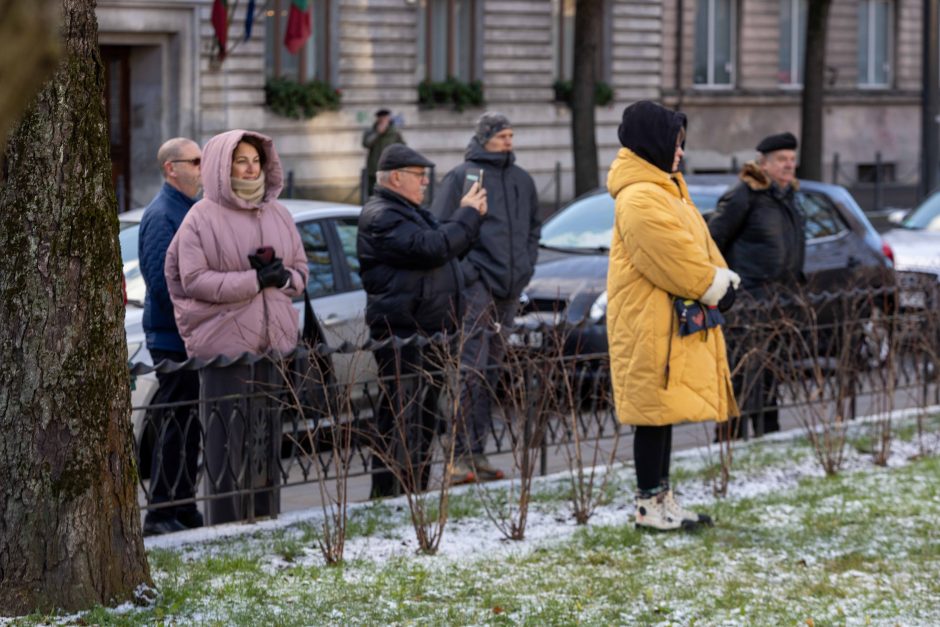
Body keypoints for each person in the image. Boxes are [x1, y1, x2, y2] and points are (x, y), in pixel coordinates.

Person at [607, 101, 740, 531]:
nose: (680, 152)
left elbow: (700, 246)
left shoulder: (666, 188)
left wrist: (723, 279)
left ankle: (662, 500)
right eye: (675, 144)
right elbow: (675, 260)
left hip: (664, 320)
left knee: (660, 413)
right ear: (653, 143)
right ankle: (649, 507)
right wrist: (714, 287)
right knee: (651, 414)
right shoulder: (641, 197)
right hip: (649, 323)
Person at [165, 130, 308, 525]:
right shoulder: (201, 218)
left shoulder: (278, 213)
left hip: (273, 345)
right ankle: (226, 528)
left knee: (265, 444)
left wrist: (281, 278)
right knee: (226, 446)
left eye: (256, 160)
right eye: (240, 159)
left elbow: (301, 272)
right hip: (225, 347)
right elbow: (192, 280)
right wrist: (252, 281)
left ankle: (266, 520)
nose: (250, 167)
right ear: (221, 165)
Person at [357, 144, 487, 498]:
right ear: (396, 177)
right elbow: (433, 247)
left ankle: (413, 491)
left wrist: (468, 219)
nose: (426, 182)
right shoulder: (381, 214)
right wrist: (468, 214)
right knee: (401, 418)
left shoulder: (413, 211)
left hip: (429, 333)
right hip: (403, 335)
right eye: (419, 175)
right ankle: (389, 495)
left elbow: (447, 245)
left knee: (425, 419)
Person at [430, 112, 541, 483]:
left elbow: (532, 229)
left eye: (511, 135)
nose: (509, 142)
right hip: (478, 290)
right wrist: (471, 274)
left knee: (491, 373)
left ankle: (476, 453)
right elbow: (443, 231)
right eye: (502, 136)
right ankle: (457, 456)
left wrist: (525, 267)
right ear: (484, 138)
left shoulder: (522, 180)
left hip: (510, 289)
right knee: (470, 372)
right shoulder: (463, 177)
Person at [708, 132, 805, 438]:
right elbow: (712, 242)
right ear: (763, 164)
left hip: (779, 301)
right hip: (746, 302)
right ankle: (730, 440)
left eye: (791, 159)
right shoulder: (744, 195)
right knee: (739, 375)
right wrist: (729, 288)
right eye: (781, 160)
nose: (788, 165)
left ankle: (768, 435)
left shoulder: (788, 197)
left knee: (771, 376)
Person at [138, 137, 204, 536]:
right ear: (171, 168)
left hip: (191, 336)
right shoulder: (163, 214)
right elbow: (163, 284)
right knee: (173, 425)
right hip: (171, 337)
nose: (201, 168)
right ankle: (160, 512)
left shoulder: (190, 210)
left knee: (188, 424)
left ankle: (185, 505)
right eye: (194, 161)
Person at [362, 109, 405, 196]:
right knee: (373, 194)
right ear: (377, 119)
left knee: (389, 194)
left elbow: (402, 147)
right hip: (374, 169)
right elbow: (366, 144)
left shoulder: (395, 132)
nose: (383, 120)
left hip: (390, 169)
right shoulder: (370, 131)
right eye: (381, 117)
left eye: (385, 117)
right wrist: (378, 134)